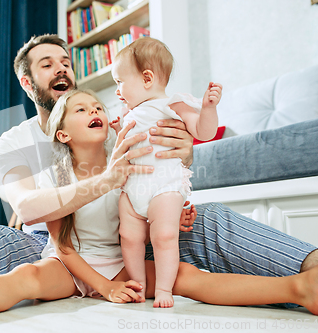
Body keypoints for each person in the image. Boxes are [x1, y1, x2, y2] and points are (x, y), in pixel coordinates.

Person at [0, 89, 318, 331]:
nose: (95, 111)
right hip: (69, 265)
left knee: (188, 278)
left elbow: (141, 218)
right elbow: (63, 247)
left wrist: (171, 217)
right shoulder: (57, 176)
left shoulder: (130, 166)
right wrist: (102, 289)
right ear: (62, 134)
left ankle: (301, 288)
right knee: (25, 277)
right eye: (81, 108)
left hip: (124, 261)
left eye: (99, 106)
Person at [108, 37, 222, 307]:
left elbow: (202, 132)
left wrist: (208, 109)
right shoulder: (129, 112)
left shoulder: (173, 104)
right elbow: (127, 144)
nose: (117, 91)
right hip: (132, 188)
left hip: (164, 186)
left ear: (147, 78)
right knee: (129, 236)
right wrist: (117, 131)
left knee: (165, 236)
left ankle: (163, 289)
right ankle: (139, 285)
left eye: (119, 82)